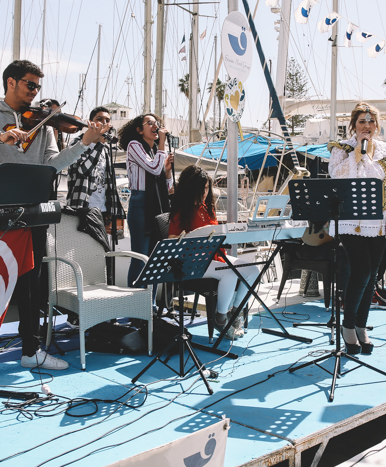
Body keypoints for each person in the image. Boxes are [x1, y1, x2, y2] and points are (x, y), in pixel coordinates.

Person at [0, 60, 108, 371]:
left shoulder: (44, 125)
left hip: (33, 209)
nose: (35, 91)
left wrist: (84, 144)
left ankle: (31, 349)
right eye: (30, 84)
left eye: (38, 86)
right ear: (10, 82)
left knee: (32, 282)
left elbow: (52, 164)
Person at [327, 102, 386, 355]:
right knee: (361, 272)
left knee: (372, 276)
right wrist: (357, 152)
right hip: (350, 220)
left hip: (378, 220)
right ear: (353, 125)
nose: (366, 126)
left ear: (377, 126)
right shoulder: (342, 148)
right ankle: (347, 325)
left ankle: (361, 325)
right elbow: (336, 176)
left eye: (371, 121)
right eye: (361, 121)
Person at [168, 166, 259, 339]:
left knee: (253, 271)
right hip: (192, 262)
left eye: (207, 188)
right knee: (228, 274)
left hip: (213, 257)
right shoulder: (181, 210)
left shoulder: (207, 207)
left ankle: (235, 312)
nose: (205, 192)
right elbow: (172, 240)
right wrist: (192, 237)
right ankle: (220, 318)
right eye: (201, 188)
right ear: (190, 188)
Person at [118, 113, 173, 287]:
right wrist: (162, 143)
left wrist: (168, 171)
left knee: (155, 258)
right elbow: (154, 168)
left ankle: (151, 301)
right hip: (141, 203)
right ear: (139, 130)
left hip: (156, 203)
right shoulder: (134, 145)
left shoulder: (157, 151)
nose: (155, 126)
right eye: (149, 123)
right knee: (140, 257)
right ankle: (136, 301)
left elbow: (167, 185)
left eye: (156, 123)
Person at [66, 106, 125, 226]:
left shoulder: (105, 149)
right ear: (91, 123)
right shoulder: (78, 143)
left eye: (107, 120)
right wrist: (99, 144)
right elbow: (83, 171)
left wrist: (110, 208)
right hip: (82, 207)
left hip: (101, 210)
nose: (104, 123)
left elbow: (108, 181)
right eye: (99, 119)